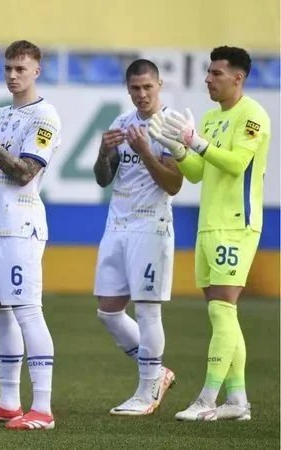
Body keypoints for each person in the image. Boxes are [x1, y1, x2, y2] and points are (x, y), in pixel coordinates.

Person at [151, 46, 270, 422]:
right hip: (209, 223)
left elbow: (236, 164)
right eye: (208, 72)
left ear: (238, 77)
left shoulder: (252, 115)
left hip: (236, 224)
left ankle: (207, 398)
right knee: (222, 314)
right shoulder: (210, 118)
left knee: (222, 309)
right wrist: (178, 149)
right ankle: (237, 400)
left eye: (216, 73)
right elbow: (199, 173)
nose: (208, 79)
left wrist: (196, 142)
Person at [0, 40, 60, 430]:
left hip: (21, 227)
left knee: (28, 311)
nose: (13, 75)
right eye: (8, 68)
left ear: (37, 71)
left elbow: (23, 173)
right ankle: (8, 403)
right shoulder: (1, 114)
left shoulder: (45, 117)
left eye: (20, 69)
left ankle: (43, 409)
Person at [92, 59, 183, 416]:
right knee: (108, 312)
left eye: (148, 87)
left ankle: (147, 391)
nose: (142, 94)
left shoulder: (171, 126)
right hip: (117, 225)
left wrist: (146, 151)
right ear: (128, 89)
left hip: (151, 226)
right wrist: (104, 152)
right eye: (135, 88)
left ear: (159, 85)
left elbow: (173, 184)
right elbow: (103, 178)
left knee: (147, 309)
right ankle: (157, 372)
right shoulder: (121, 123)